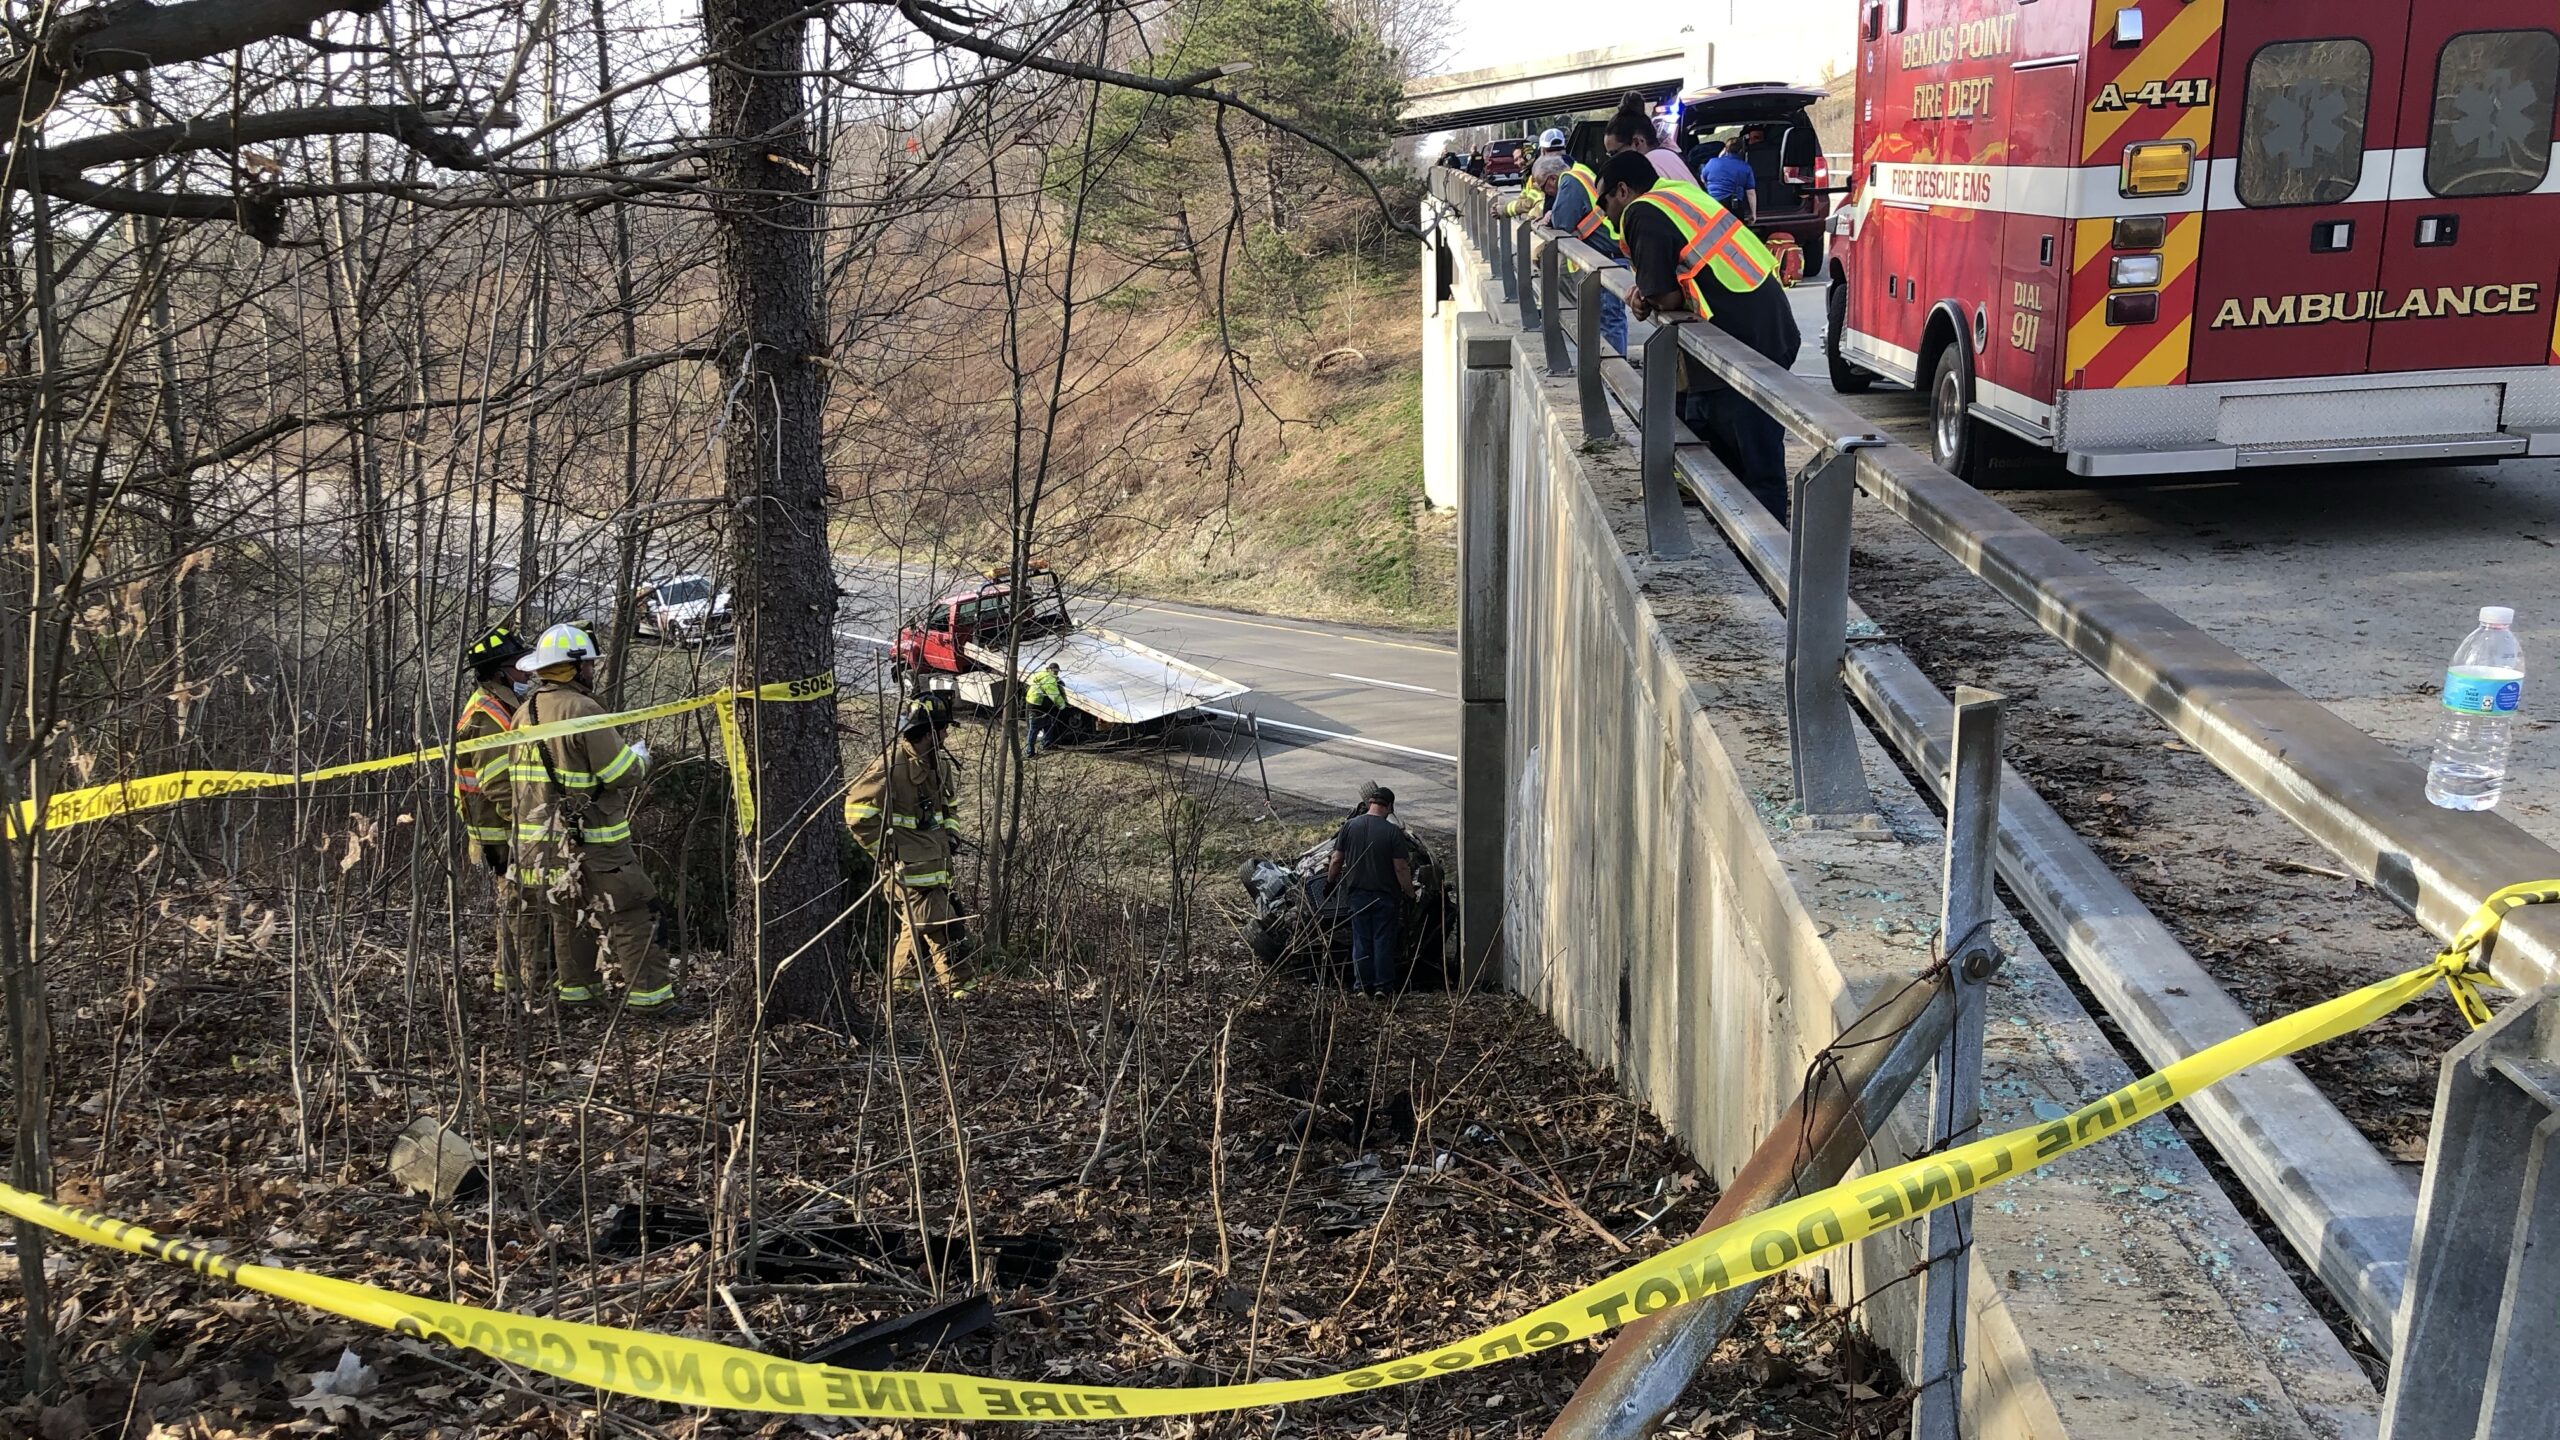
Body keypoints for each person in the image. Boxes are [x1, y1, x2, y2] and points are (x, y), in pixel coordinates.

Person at [1598, 150, 1802, 522]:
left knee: (1753, 455)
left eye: (1604, 200)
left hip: (1743, 338)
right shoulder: (1677, 194)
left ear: (1623, 190)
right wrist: (1647, 291)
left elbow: (1662, 294)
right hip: (1755, 324)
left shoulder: (1640, 212)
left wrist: (1647, 294)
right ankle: (1750, 542)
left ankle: (1768, 553)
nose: (1603, 212)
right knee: (1729, 445)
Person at [483, 623, 676, 1015]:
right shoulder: (583, 710)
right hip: (596, 840)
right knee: (634, 911)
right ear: (572, 668)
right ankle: (651, 1002)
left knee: (567, 915)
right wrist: (641, 757)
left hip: (540, 846)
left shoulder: (525, 712)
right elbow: (623, 773)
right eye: (587, 663)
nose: (592, 669)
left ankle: (578, 997)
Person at [846, 694, 967, 990]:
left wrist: (951, 834)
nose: (946, 734)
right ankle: (963, 992)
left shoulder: (939, 765)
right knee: (943, 928)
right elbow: (856, 815)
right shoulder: (890, 767)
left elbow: (947, 807)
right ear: (928, 732)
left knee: (918, 927)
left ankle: (902, 989)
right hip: (907, 870)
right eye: (942, 729)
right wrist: (889, 853)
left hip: (936, 864)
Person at [455, 625, 541, 993]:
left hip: (502, 825)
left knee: (516, 904)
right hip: (500, 828)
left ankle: (508, 980)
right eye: (520, 666)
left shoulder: (503, 704)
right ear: (500, 671)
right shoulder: (488, 714)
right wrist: (527, 819)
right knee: (520, 904)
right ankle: (522, 982)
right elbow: (495, 782)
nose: (528, 673)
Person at [1325, 787, 1416, 996]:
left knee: (1361, 940)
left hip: (1357, 895)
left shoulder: (1349, 827)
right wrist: (1410, 893)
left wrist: (1330, 883)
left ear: (1369, 804)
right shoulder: (1392, 832)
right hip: (1385, 896)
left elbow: (1336, 860)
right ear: (1390, 807)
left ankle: (1361, 987)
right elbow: (1401, 867)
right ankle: (1382, 987)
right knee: (1383, 940)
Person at [1546, 156, 1629, 355]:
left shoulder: (1569, 181)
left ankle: (1614, 371)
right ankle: (1612, 365)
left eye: (1543, 187)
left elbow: (1562, 221)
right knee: (1609, 317)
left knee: (1609, 318)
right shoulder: (1581, 173)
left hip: (1607, 257)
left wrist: (1550, 216)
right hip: (1609, 253)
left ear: (1551, 179)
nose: (1545, 193)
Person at [1604, 92, 1695, 186]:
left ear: (1637, 143)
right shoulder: (1670, 156)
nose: (1613, 161)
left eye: (1614, 154)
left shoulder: (1647, 170)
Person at [1702, 135, 1756, 224]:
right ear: (1741, 151)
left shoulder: (1712, 162)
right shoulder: (1745, 167)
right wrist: (1753, 213)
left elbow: (1703, 180)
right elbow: (1750, 193)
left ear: (1725, 149)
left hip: (1714, 203)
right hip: (1734, 205)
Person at [1023, 661, 1068, 758]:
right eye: (1055, 672)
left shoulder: (1042, 674)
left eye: (1057, 672)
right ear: (1050, 670)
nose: (1056, 673)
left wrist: (1056, 680)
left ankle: (1047, 744)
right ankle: (1029, 751)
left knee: (1048, 724)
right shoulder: (1049, 680)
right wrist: (1063, 706)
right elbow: (1055, 696)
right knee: (1034, 729)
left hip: (1035, 703)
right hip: (1038, 706)